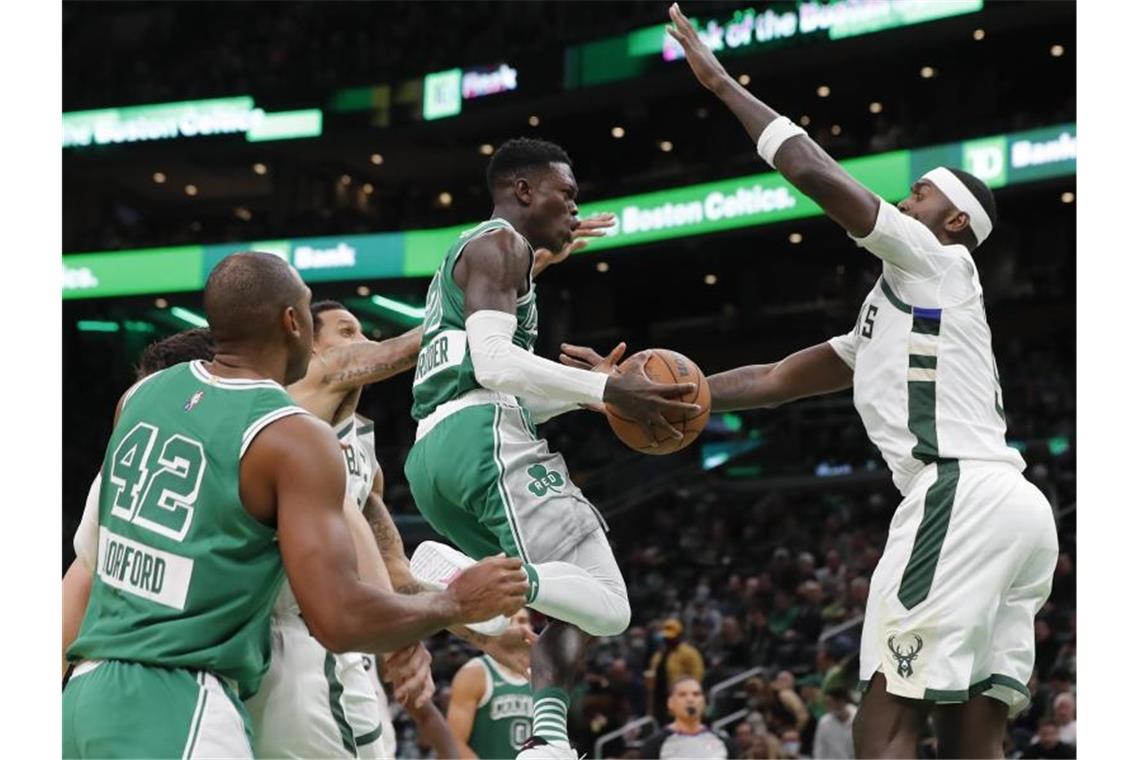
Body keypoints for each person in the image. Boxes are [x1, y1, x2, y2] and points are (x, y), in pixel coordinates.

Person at [567, 6, 1059, 758]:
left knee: (884, 720)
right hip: (1016, 511)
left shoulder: (936, 261)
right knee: (974, 736)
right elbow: (770, 380)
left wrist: (723, 84)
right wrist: (647, 392)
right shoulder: (898, 307)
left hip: (960, 496)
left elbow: (812, 172)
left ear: (954, 222)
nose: (905, 200)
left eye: (921, 193)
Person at [62, 252, 529, 758]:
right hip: (186, 699)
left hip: (87, 691)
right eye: (311, 311)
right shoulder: (292, 436)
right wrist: (455, 604)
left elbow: (83, 578)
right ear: (293, 321)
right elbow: (339, 617)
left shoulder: (141, 398)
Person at [402, 136, 701, 760]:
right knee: (611, 604)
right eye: (565, 195)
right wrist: (608, 388)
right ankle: (469, 580)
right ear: (523, 191)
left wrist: (594, 398)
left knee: (573, 596)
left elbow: (497, 378)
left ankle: (547, 741)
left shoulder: (481, 259)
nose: (572, 209)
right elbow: (494, 365)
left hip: (439, 454)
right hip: (483, 442)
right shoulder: (500, 243)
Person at [447, 609, 537, 758]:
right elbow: (453, 742)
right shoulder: (474, 673)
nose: (516, 627)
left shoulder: (545, 676)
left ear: (532, 628)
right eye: (509, 620)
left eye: (522, 621)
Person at [639, 677, 736, 759]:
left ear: (704, 702)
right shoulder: (654, 745)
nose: (690, 699)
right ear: (670, 703)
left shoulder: (724, 743)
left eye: (696, 694)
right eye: (682, 695)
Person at [645, 618, 706, 724]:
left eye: (672, 637)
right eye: (667, 637)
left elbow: (697, 677)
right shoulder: (658, 656)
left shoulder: (689, 653)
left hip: (682, 700)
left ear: (679, 636)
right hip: (660, 701)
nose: (669, 640)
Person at [812, 689, 855, 759]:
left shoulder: (858, 717)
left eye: (830, 703)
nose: (827, 707)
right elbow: (819, 749)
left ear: (841, 702)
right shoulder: (824, 722)